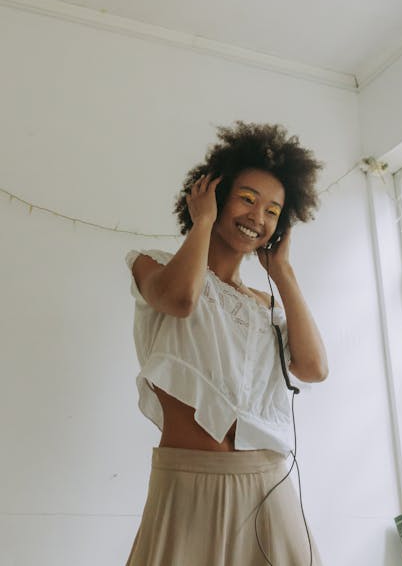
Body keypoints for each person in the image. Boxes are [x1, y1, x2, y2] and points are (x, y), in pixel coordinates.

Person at [124, 121, 328, 566]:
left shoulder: (265, 306)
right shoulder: (152, 265)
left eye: (273, 211)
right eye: (248, 199)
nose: (258, 218)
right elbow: (180, 300)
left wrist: (283, 273)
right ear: (215, 194)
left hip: (267, 485)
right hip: (186, 483)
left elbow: (313, 368)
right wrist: (203, 222)